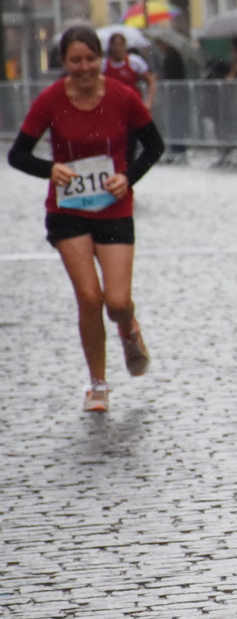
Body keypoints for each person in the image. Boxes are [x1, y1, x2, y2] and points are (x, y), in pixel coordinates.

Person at [8, 25, 165, 412]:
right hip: (68, 211)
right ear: (63, 62)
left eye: (90, 59)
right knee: (89, 298)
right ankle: (97, 384)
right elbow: (18, 155)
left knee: (116, 300)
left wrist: (127, 178)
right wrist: (51, 170)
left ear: (100, 60)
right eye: (75, 60)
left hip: (113, 208)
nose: (84, 67)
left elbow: (154, 145)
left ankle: (128, 328)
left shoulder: (123, 97)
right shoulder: (50, 100)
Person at [103, 32, 156, 110]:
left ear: (124, 46)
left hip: (132, 104)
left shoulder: (134, 61)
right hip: (112, 106)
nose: (117, 48)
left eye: (119, 45)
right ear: (110, 47)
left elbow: (151, 81)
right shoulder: (103, 64)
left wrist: (148, 102)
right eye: (114, 45)